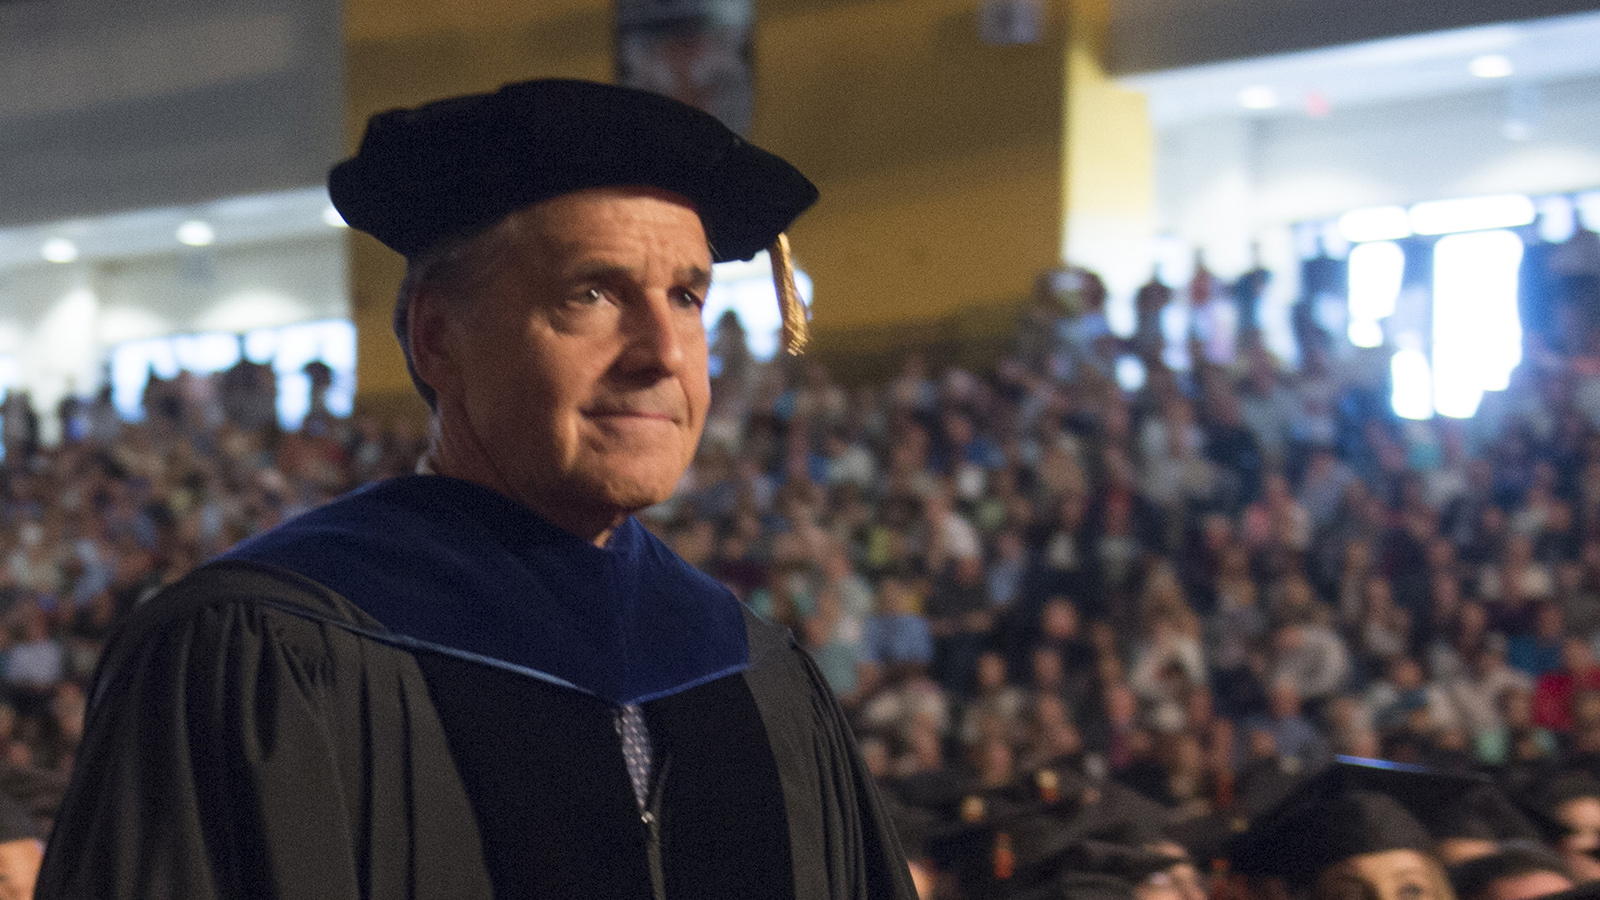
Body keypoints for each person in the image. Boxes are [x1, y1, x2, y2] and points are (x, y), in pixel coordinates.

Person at [37, 79, 916, 900]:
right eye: (593, 293)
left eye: (686, 297)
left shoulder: (752, 667)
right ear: (436, 339)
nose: (662, 353)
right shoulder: (258, 654)